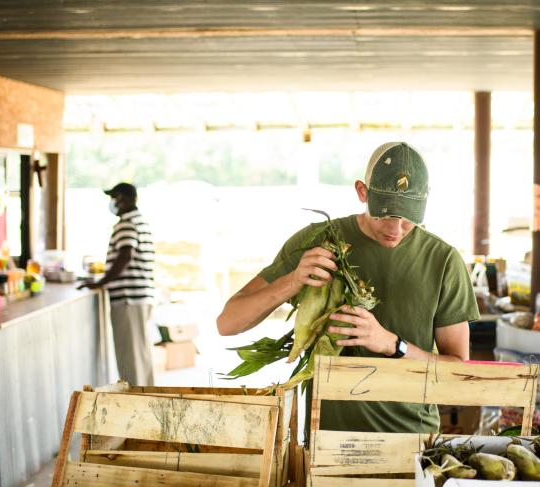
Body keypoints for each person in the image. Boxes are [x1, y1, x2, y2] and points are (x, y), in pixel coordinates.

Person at [217, 142, 478, 433]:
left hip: (412, 445)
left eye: (407, 218)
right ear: (362, 192)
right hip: (327, 441)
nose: (395, 229)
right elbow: (228, 322)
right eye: (385, 214)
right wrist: (292, 281)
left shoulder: (443, 260)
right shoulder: (320, 240)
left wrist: (392, 345)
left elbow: (458, 375)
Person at [80, 182, 158, 386]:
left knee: (130, 358)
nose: (113, 203)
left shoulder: (126, 223)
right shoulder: (140, 221)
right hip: (141, 297)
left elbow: (125, 256)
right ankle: (147, 398)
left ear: (123, 199)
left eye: (114, 198)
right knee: (140, 354)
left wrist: (101, 282)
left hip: (128, 299)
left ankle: (135, 404)